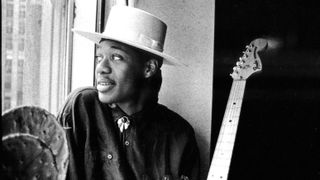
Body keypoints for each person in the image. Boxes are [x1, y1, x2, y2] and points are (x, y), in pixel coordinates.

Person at [57, 5, 200, 180]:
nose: (101, 68)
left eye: (116, 57)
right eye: (99, 57)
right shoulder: (82, 107)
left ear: (149, 68)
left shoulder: (179, 135)